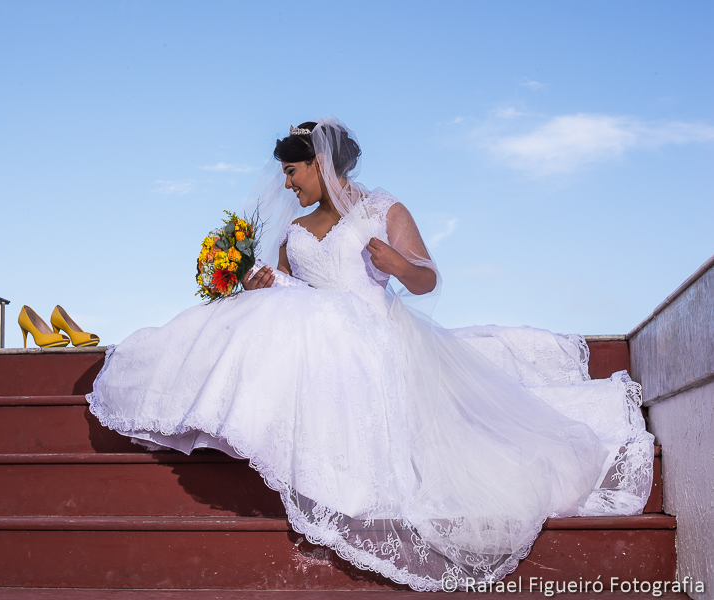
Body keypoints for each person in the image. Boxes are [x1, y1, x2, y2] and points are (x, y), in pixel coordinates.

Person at [87, 116, 653, 591]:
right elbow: (292, 291)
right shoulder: (293, 231)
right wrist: (266, 285)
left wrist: (397, 266)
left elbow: (428, 279)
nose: (287, 185)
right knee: (269, 329)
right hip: (314, 330)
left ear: (320, 164)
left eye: (292, 172)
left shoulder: (383, 210)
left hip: (371, 328)